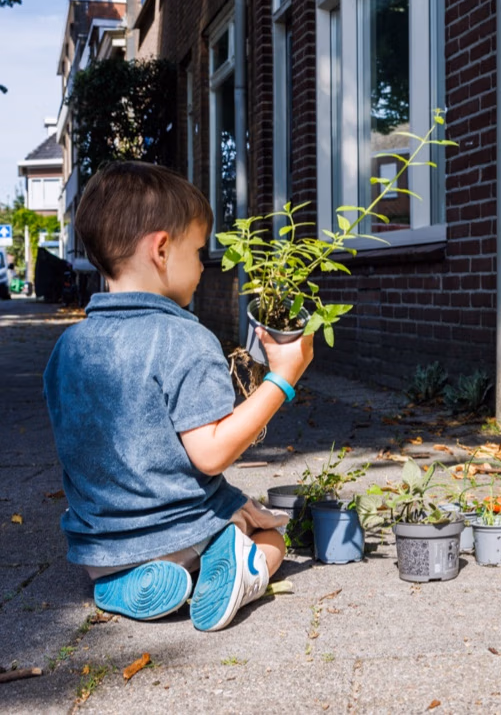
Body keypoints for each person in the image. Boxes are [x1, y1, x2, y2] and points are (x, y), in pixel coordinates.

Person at [43, 161, 314, 631]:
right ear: (162, 249)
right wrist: (282, 379)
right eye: (198, 250)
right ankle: (233, 569)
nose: (204, 265)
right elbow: (211, 453)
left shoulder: (67, 348)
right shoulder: (184, 339)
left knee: (210, 517)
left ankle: (120, 584)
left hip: (98, 551)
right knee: (272, 538)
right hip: (182, 535)